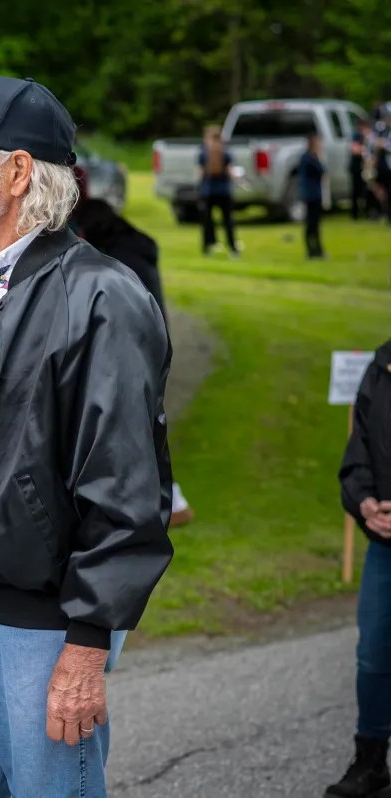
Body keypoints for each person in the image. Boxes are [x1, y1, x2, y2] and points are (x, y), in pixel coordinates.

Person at [0, 73, 173, 797]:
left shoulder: (102, 296)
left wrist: (86, 647)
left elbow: (126, 486)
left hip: (45, 629)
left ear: (18, 172)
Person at [69, 170, 194, 527]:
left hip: (129, 354)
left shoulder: (116, 265)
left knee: (130, 431)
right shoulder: (134, 251)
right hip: (145, 350)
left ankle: (164, 502)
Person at [331, 338, 391, 798]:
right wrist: (365, 502)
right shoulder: (383, 363)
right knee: (373, 654)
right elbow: (359, 452)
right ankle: (370, 762)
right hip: (384, 543)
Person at [198, 124, 239, 256]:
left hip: (208, 190)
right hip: (223, 191)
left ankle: (207, 247)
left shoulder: (203, 152)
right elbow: (230, 170)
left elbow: (200, 173)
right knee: (227, 221)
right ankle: (233, 248)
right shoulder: (225, 152)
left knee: (207, 221)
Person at [300, 133, 327, 259]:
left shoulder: (306, 158)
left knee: (313, 224)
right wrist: (319, 156)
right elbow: (322, 171)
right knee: (312, 224)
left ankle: (315, 249)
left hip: (311, 194)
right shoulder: (310, 158)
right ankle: (313, 249)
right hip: (313, 195)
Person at [350, 119, 374, 221]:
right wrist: (364, 149)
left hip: (364, 167)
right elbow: (354, 149)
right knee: (356, 191)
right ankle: (355, 213)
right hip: (356, 167)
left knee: (365, 190)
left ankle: (366, 211)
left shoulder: (367, 137)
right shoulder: (357, 135)